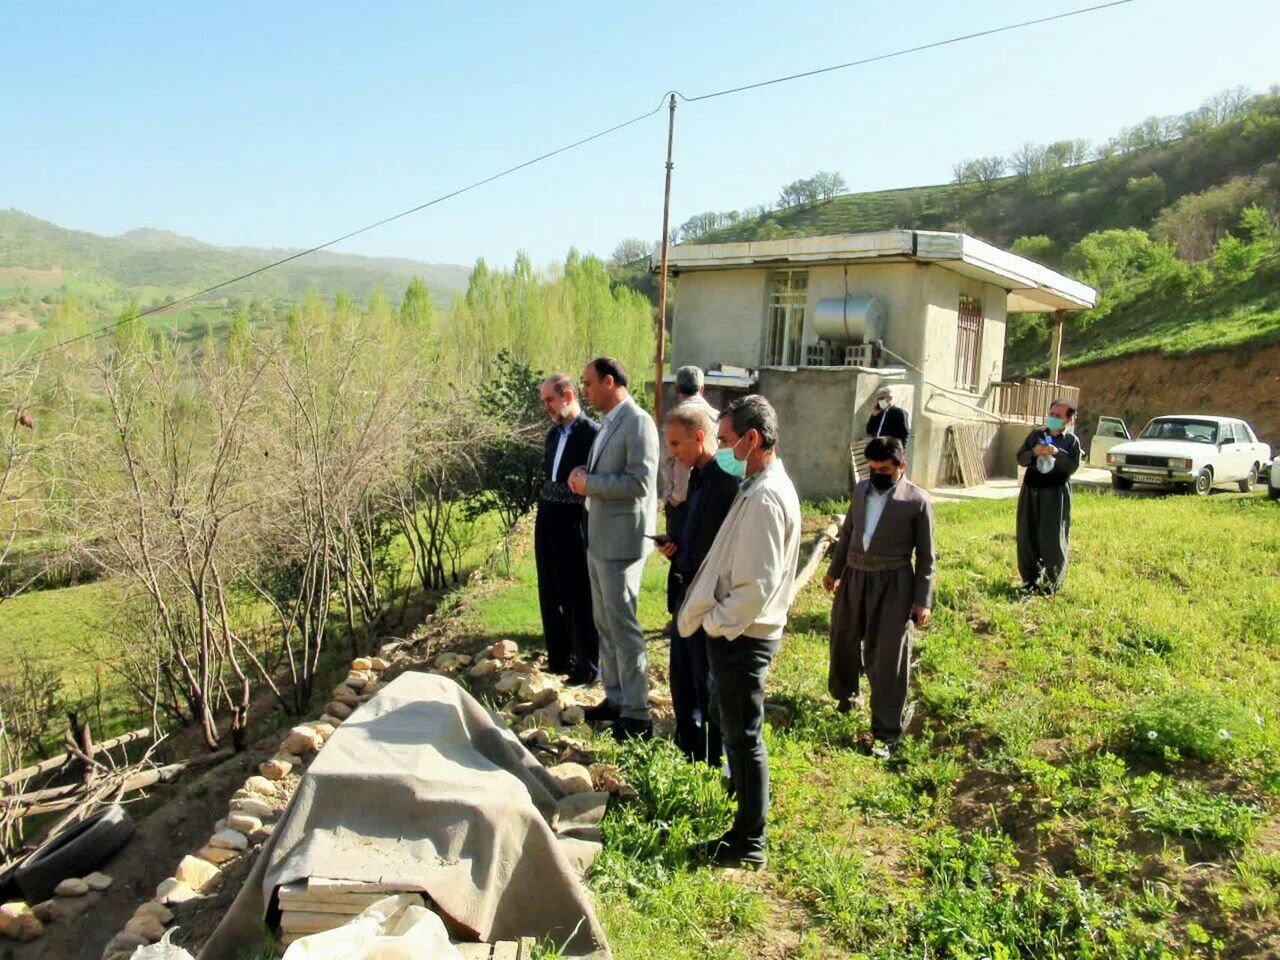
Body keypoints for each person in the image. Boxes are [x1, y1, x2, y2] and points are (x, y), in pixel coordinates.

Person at [677, 395, 801, 867]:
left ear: (753, 439)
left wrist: (715, 624)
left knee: (745, 738)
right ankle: (744, 823)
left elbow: (755, 587)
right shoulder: (758, 484)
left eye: (727, 440)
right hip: (739, 633)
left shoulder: (767, 496)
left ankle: (750, 842)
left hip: (743, 636)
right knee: (737, 733)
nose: (722, 449)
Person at [824, 436, 935, 760]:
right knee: (842, 638)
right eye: (872, 468)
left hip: (894, 583)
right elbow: (848, 535)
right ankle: (846, 697)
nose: (877, 474)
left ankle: (886, 730)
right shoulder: (860, 491)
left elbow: (927, 556)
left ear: (902, 466)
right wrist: (835, 571)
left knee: (888, 655)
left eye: (884, 469)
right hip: (855, 577)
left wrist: (922, 600)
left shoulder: (918, 502)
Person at [568, 357, 660, 740]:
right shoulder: (610, 423)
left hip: (622, 543)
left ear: (609, 382)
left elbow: (640, 483)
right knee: (605, 624)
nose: (584, 391)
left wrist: (590, 483)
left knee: (623, 627)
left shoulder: (638, 422)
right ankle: (616, 697)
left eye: (588, 384)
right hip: (601, 538)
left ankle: (638, 713)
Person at [656, 402, 740, 767]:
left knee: (706, 681)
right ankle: (688, 751)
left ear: (700, 437)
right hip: (684, 590)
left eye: (676, 444)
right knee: (683, 680)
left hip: (709, 597)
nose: (672, 453)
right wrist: (675, 547)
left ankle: (713, 760)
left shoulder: (726, 483)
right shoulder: (697, 477)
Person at [535, 373, 601, 684]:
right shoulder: (551, 436)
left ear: (569, 396)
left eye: (550, 399)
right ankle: (559, 657)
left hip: (574, 521)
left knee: (577, 591)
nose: (546, 406)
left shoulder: (592, 434)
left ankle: (586, 663)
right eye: (544, 400)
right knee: (550, 588)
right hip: (547, 517)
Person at [1015, 399, 1082, 594]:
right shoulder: (1036, 436)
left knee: (1052, 537)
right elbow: (1021, 458)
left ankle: (1052, 583)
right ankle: (1030, 580)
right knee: (1027, 535)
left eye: (1058, 416)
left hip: (1055, 494)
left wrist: (1057, 453)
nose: (1053, 418)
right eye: (1051, 414)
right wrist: (1034, 452)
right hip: (1031, 491)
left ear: (1068, 420)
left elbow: (1072, 467)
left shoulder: (1071, 441)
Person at [660, 365, 719, 515]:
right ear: (702, 388)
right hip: (712, 497)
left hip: (682, 503)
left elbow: (678, 463)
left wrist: (674, 498)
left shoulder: (675, 421)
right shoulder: (718, 417)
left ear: (677, 389)